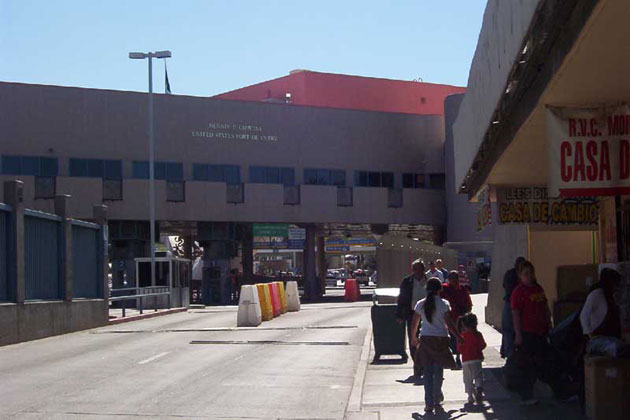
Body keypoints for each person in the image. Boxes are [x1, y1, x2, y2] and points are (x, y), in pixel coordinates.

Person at [510, 260, 565, 405]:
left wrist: (550, 324)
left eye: (531, 273)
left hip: (542, 332)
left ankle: (560, 392)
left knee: (549, 362)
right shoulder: (518, 292)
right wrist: (518, 335)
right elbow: (515, 314)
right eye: (525, 274)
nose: (529, 276)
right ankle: (527, 396)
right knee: (527, 367)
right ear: (520, 276)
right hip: (527, 333)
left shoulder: (538, 288)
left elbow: (545, 307)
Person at [411, 278, 462, 414]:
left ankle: (428, 402)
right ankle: (436, 397)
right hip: (441, 339)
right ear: (440, 289)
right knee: (438, 370)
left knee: (427, 372)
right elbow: (449, 324)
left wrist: (413, 338)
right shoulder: (444, 304)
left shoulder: (420, 304)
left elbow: (414, 323)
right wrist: (458, 336)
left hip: (426, 339)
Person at [396, 259, 428, 376]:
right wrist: (399, 314)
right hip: (412, 314)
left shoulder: (429, 281)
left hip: (427, 315)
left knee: (426, 339)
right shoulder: (407, 281)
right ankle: (417, 364)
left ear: (423, 269)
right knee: (413, 339)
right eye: (415, 269)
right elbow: (401, 299)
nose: (417, 271)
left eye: (420, 269)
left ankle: (425, 363)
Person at [442, 270, 472, 368]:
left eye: (456, 278)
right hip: (448, 318)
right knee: (449, 339)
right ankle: (449, 358)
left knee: (459, 338)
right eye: (452, 278)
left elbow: (468, 304)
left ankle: (458, 357)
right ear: (449, 279)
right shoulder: (444, 289)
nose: (454, 281)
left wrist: (466, 317)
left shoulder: (463, 290)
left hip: (460, 319)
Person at [580, 268, 622, 339]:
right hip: (597, 337)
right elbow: (584, 315)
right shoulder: (596, 295)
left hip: (610, 337)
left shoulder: (610, 297)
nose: (617, 288)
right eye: (615, 284)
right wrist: (590, 335)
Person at [457, 313, 487, 404]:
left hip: (466, 360)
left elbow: (459, 349)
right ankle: (478, 388)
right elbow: (483, 345)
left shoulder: (462, 336)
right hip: (477, 358)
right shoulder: (478, 334)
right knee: (478, 376)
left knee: (467, 379)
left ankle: (470, 396)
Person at [501, 256, 526, 359]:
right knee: (509, 329)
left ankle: (508, 352)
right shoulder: (514, 275)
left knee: (507, 330)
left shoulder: (509, 274)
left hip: (509, 303)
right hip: (513, 303)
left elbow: (504, 285)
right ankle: (510, 353)